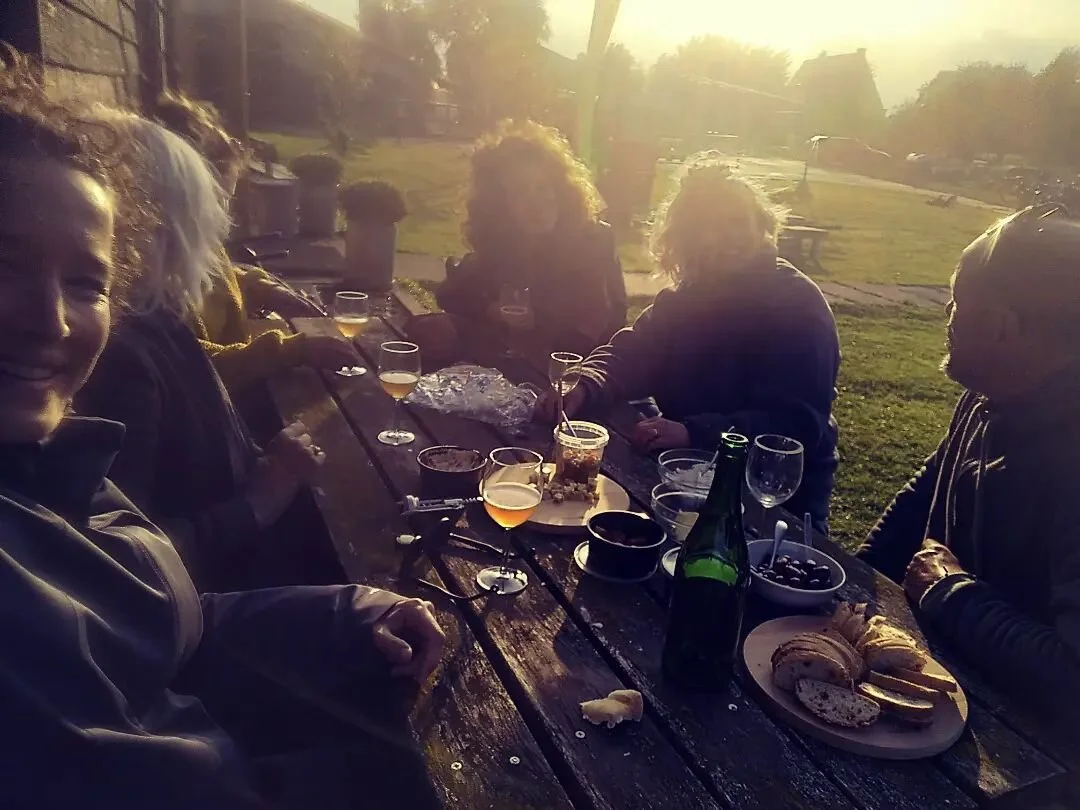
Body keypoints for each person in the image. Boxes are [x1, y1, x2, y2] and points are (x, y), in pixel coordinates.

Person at [0, 53, 443, 808]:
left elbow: (156, 615)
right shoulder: (115, 376)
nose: (52, 320)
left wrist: (352, 608)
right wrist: (258, 503)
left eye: (85, 282)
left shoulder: (51, 452)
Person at [75, 110, 350, 591]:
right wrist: (264, 494)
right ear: (162, 224)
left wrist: (267, 462)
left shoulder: (157, 318)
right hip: (221, 606)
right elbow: (118, 569)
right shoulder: (118, 357)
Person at [856, 205, 1080, 724]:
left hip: (1031, 760)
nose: (947, 317)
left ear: (1001, 326)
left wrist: (948, 592)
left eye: (957, 301)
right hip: (945, 682)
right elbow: (928, 491)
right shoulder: (993, 394)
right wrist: (856, 584)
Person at [545, 156, 840, 530]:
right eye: (707, 226)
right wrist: (587, 384)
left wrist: (695, 432)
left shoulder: (797, 307)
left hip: (774, 506)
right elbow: (636, 349)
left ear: (761, 223)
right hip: (683, 480)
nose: (726, 237)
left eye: (737, 222)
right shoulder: (689, 295)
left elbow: (794, 426)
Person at [151, 90, 357, 394]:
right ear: (180, 192)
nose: (224, 213)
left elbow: (215, 275)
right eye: (218, 200)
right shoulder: (147, 271)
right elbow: (187, 368)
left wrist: (261, 288)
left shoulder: (188, 237)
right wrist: (290, 352)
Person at [408, 119, 627, 362]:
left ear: (561, 189)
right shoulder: (504, 241)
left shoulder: (592, 239)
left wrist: (538, 322)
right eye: (520, 192)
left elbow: (601, 323)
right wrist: (489, 310)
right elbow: (452, 293)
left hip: (579, 375)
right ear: (499, 204)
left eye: (543, 187)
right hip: (509, 366)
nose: (537, 202)